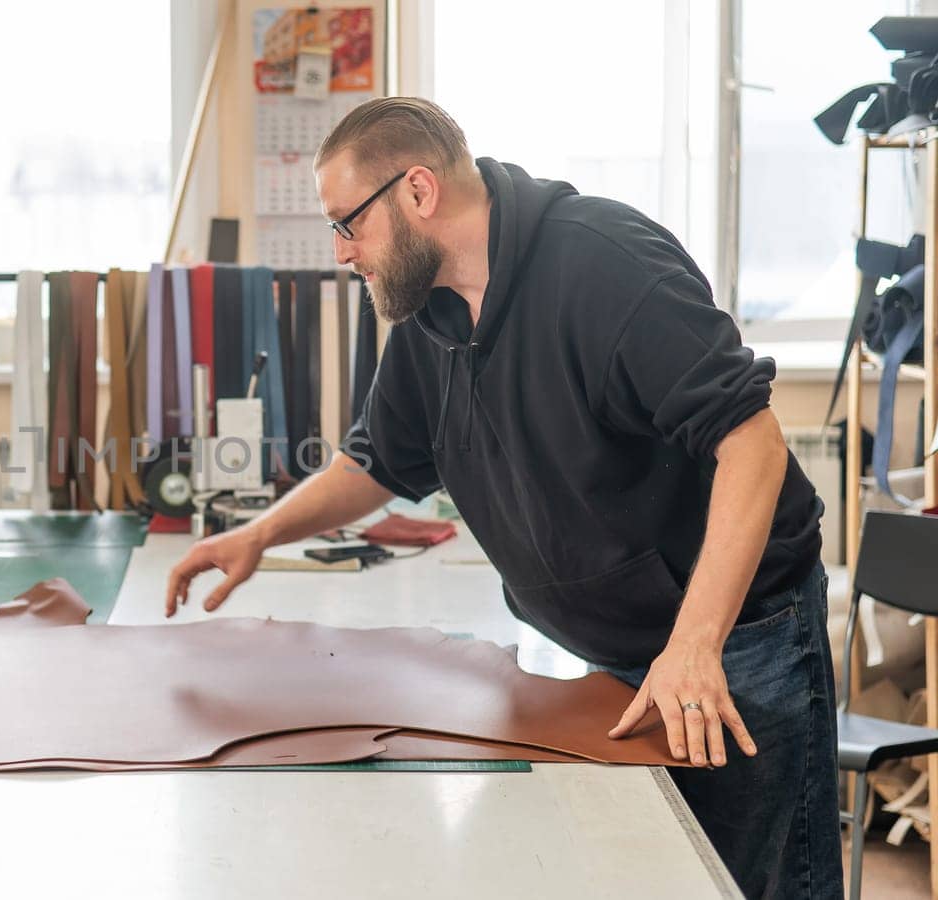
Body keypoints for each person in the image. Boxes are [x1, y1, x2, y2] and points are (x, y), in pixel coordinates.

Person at [164, 97, 839, 899]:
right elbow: (377, 465)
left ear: (418, 191)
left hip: (733, 639)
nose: (342, 253)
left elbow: (752, 443)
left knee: (758, 885)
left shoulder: (603, 263)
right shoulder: (428, 314)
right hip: (613, 653)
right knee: (655, 880)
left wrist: (694, 645)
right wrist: (259, 534)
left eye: (349, 224)